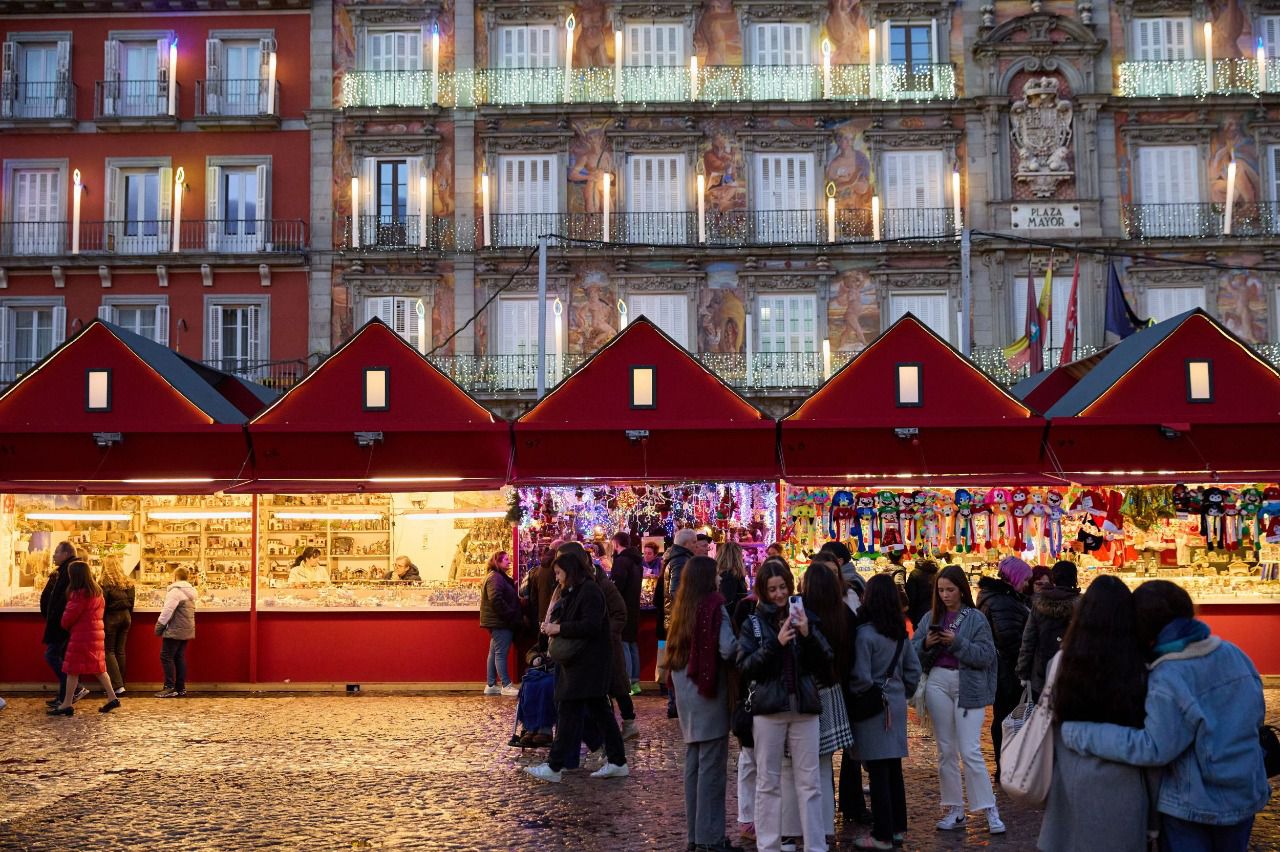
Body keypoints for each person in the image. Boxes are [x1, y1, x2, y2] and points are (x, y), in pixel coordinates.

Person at [1061, 581, 1270, 852]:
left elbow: (1154, 747)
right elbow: (1256, 716)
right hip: (1245, 792)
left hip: (1194, 803)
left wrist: (1081, 733)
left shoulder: (1169, 675)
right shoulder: (1234, 653)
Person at [1037, 575, 1153, 852]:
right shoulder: (1141, 666)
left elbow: (1049, 717)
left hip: (1069, 778)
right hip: (1124, 780)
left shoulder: (1062, 662)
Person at [737, 559, 834, 852]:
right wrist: (775, 644)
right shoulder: (753, 623)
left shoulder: (807, 617)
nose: (779, 594)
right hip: (769, 710)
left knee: (810, 782)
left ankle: (815, 845)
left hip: (804, 709)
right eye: (772, 589)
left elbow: (825, 663)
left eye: (783, 587)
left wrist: (807, 635)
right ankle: (768, 845)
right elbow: (746, 667)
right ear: (763, 592)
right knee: (768, 781)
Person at [525, 549, 629, 783]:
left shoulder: (590, 591)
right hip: (582, 664)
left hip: (587, 664)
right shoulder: (575, 591)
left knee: (572, 712)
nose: (557, 578)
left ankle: (556, 765)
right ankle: (617, 760)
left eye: (559, 573)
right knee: (596, 713)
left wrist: (558, 629)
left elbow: (591, 626)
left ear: (570, 571)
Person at [914, 564, 1003, 834]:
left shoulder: (975, 618)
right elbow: (912, 651)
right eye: (940, 590)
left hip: (969, 686)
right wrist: (927, 644)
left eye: (950, 589)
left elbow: (986, 656)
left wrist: (956, 642)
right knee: (946, 750)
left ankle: (990, 809)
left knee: (970, 749)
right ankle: (954, 809)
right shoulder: (931, 616)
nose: (945, 595)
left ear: (961, 590)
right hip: (938, 682)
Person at [666, 556, 742, 852]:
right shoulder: (714, 604)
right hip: (708, 694)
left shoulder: (683, 606)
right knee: (711, 768)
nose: (721, 578)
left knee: (694, 766)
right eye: (717, 574)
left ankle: (696, 836)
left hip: (687, 694)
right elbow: (727, 648)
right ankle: (711, 839)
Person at [849, 574, 921, 850]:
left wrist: (867, 694)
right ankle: (897, 828)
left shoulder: (864, 634)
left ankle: (882, 834)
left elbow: (860, 677)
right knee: (893, 768)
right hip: (896, 704)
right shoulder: (899, 632)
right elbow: (913, 671)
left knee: (878, 771)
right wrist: (901, 693)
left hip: (875, 707)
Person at [800, 558, 854, 842]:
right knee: (823, 765)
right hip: (833, 690)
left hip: (810, 691)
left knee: (806, 766)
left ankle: (807, 828)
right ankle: (825, 827)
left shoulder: (804, 615)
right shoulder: (844, 614)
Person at [976, 555, 1031, 778]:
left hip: (1001, 670)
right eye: (1025, 578)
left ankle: (1006, 766)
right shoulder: (1003, 602)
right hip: (1006, 672)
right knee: (1008, 718)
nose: (1027, 583)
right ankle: (1007, 767)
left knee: (1004, 718)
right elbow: (1009, 639)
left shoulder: (1000, 598)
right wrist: (1024, 663)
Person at [579, 542, 639, 742]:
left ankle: (628, 722)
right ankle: (607, 727)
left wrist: (607, 633)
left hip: (608, 645)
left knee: (618, 686)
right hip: (594, 647)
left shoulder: (604, 585)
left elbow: (620, 613)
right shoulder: (583, 586)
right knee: (603, 688)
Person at [48, 561, 120, 716]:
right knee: (99, 667)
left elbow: (67, 619)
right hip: (96, 634)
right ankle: (112, 697)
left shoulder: (78, 594)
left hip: (81, 636)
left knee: (71, 669)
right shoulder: (97, 592)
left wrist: (64, 622)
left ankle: (66, 703)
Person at [1017, 560, 1080, 701]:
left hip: (1041, 674)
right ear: (1074, 578)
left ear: (1054, 578)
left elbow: (1028, 641)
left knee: (1042, 719)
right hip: (1072, 674)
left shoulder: (1039, 603)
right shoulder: (1082, 605)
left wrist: (1023, 673)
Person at [40, 541, 81, 708]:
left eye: (57, 552)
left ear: (65, 553)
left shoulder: (70, 570)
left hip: (62, 625)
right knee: (62, 659)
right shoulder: (66, 570)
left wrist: (60, 618)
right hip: (60, 623)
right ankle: (66, 695)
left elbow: (66, 600)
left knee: (54, 657)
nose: (54, 555)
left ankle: (73, 691)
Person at [662, 528, 698, 716]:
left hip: (674, 618)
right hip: (679, 619)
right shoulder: (681, 561)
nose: (696, 546)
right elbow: (676, 591)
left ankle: (675, 703)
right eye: (694, 542)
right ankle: (675, 704)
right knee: (679, 662)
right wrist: (688, 611)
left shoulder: (674, 559)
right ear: (686, 544)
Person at [480, 551, 520, 697]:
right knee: (501, 654)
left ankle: (491, 684)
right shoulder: (496, 578)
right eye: (506, 559)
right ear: (497, 561)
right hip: (500, 621)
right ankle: (506, 685)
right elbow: (495, 599)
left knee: (494, 652)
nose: (509, 562)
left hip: (496, 621)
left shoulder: (496, 577)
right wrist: (509, 614)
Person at [610, 532, 644, 695]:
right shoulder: (636, 561)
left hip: (622, 608)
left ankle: (627, 682)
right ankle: (635, 682)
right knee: (632, 644)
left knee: (623, 644)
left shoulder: (621, 562)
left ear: (616, 544)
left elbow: (616, 588)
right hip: (634, 607)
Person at [155, 567, 197, 698]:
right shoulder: (191, 592)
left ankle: (169, 687)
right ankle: (180, 688)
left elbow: (167, 611)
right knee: (179, 657)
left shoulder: (175, 591)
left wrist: (159, 626)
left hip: (175, 628)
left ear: (175, 576)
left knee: (166, 656)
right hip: (186, 628)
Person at [99, 555, 135, 696]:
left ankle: (117, 685)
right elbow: (132, 603)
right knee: (120, 651)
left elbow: (103, 604)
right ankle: (120, 684)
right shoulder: (128, 582)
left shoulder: (104, 582)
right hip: (126, 617)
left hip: (111, 618)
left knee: (109, 651)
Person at [904, 557, 938, 630]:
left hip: (919, 613)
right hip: (937, 611)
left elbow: (911, 596)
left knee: (920, 637)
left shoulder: (915, 574)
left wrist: (910, 615)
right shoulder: (938, 574)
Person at [716, 541, 749, 615]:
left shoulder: (727, 574)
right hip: (734, 620)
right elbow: (728, 602)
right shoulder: (729, 576)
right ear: (736, 557)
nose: (742, 557)